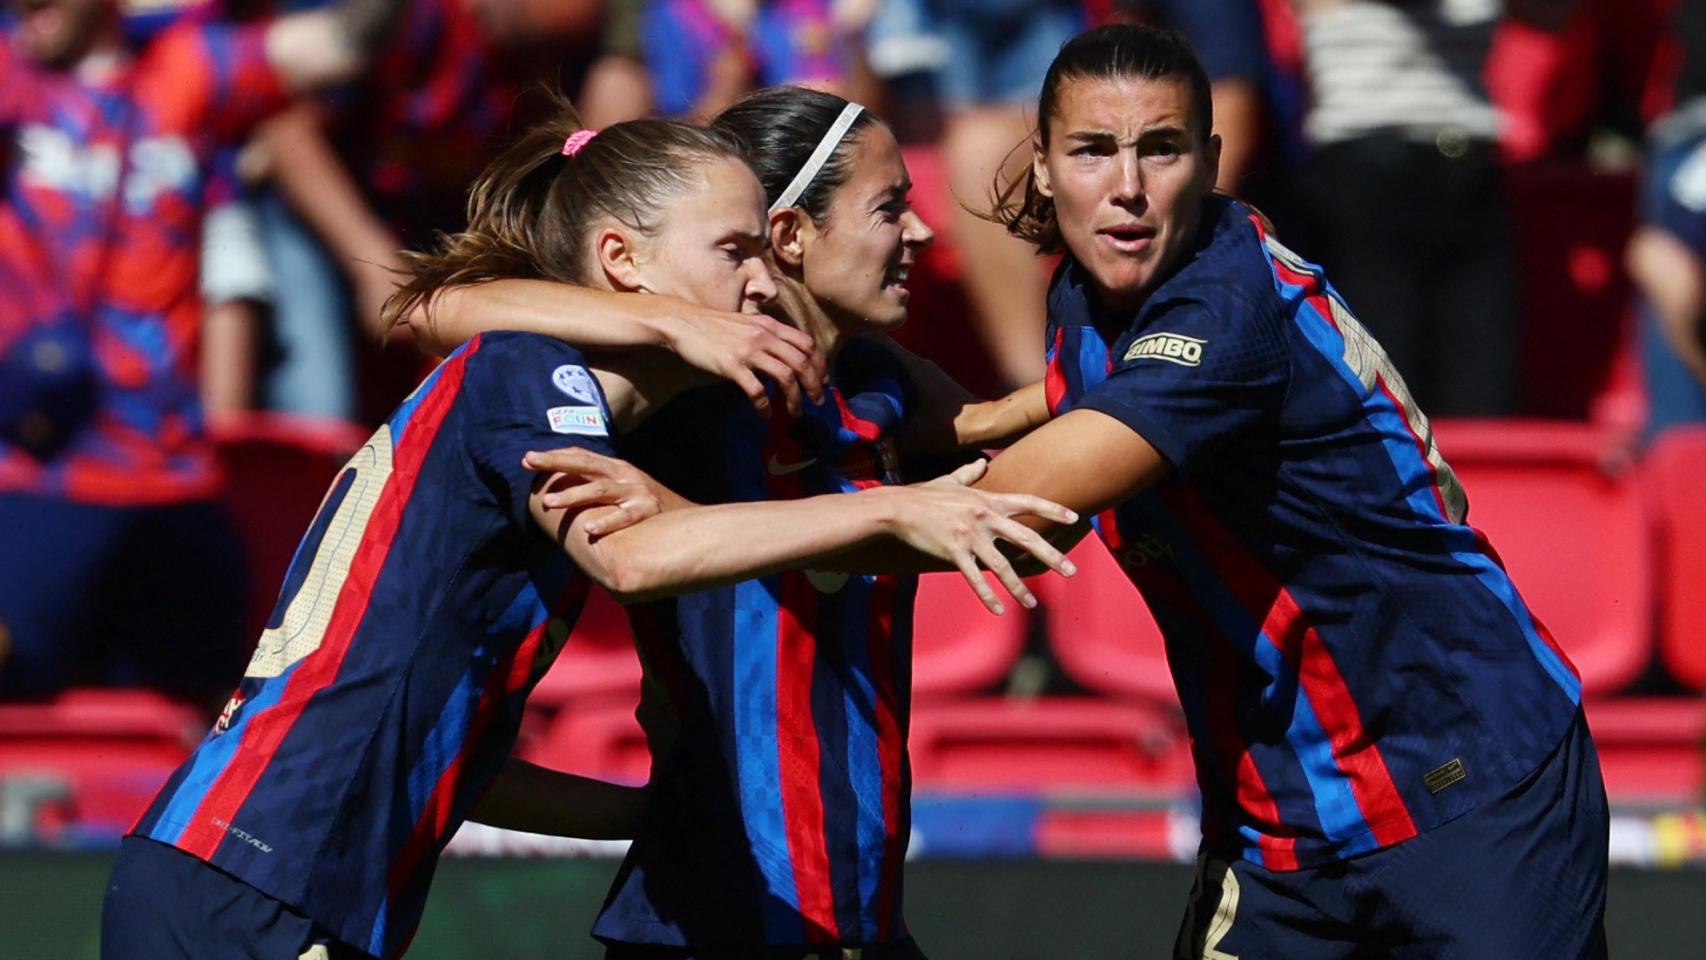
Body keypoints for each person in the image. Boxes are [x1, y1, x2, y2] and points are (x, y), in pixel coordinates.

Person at [105, 112, 1076, 960]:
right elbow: (634, 556)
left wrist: (650, 816)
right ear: (622, 263)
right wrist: (892, 509)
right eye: (734, 251)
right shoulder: (532, 375)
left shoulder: (558, 409)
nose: (761, 280)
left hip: (260, 878)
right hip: (256, 877)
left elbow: (452, 756)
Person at [956, 24, 1605, 957]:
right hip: (1280, 822)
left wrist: (745, 516)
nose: (1127, 188)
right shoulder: (1095, 291)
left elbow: (993, 511)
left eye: (1162, 148)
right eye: (1093, 150)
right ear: (1047, 167)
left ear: (1214, 161)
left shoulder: (1222, 315)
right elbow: (1087, 389)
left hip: (1467, 789)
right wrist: (964, 420)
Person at [407, 86, 1055, 957]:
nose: (923, 232)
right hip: (713, 913)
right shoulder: (691, 394)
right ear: (790, 236)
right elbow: (432, 309)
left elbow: (995, 427)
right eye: (889, 208)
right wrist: (672, 321)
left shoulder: (874, 383)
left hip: (857, 910)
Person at [0, 0, 409, 699]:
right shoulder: (14, 76)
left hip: (173, 481)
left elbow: (345, 40)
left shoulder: (190, 68)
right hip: (35, 480)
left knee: (205, 734)